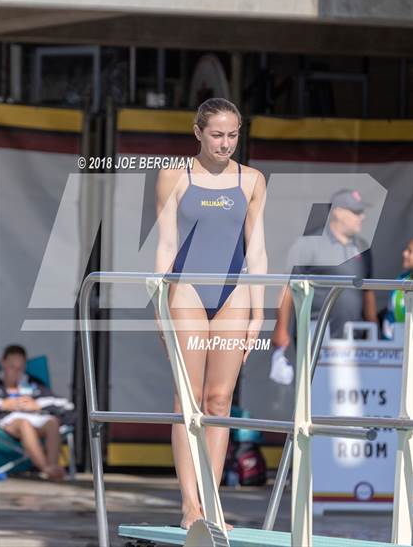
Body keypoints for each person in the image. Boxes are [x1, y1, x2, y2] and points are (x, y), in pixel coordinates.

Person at [155, 98, 267, 529]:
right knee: (188, 399)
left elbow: (256, 249)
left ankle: (212, 502)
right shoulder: (174, 176)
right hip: (186, 292)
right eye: (217, 134)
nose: (225, 143)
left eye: (233, 135)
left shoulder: (252, 179)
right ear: (197, 132)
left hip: (233, 294)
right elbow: (165, 246)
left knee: (219, 402)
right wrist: (158, 308)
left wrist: (259, 310)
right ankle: (189, 506)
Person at [271, 189, 378, 384]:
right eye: (356, 212)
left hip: (356, 341)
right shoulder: (308, 244)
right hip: (317, 337)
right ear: (337, 212)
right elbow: (287, 288)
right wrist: (281, 329)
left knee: (353, 399)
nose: (362, 216)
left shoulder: (363, 246)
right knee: (315, 396)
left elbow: (368, 291)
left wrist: (374, 331)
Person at [0, 344, 74, 481]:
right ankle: (46, 469)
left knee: (52, 422)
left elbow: (64, 404)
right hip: (8, 422)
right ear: (3, 362)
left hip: (35, 419)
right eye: (12, 367)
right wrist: (3, 404)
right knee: (24, 424)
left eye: (20, 368)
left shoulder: (34, 384)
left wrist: (36, 405)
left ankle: (53, 465)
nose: (16, 372)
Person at [382, 238, 413, 339]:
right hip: (396, 346)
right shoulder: (402, 279)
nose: (404, 254)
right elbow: (390, 315)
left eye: (410, 251)